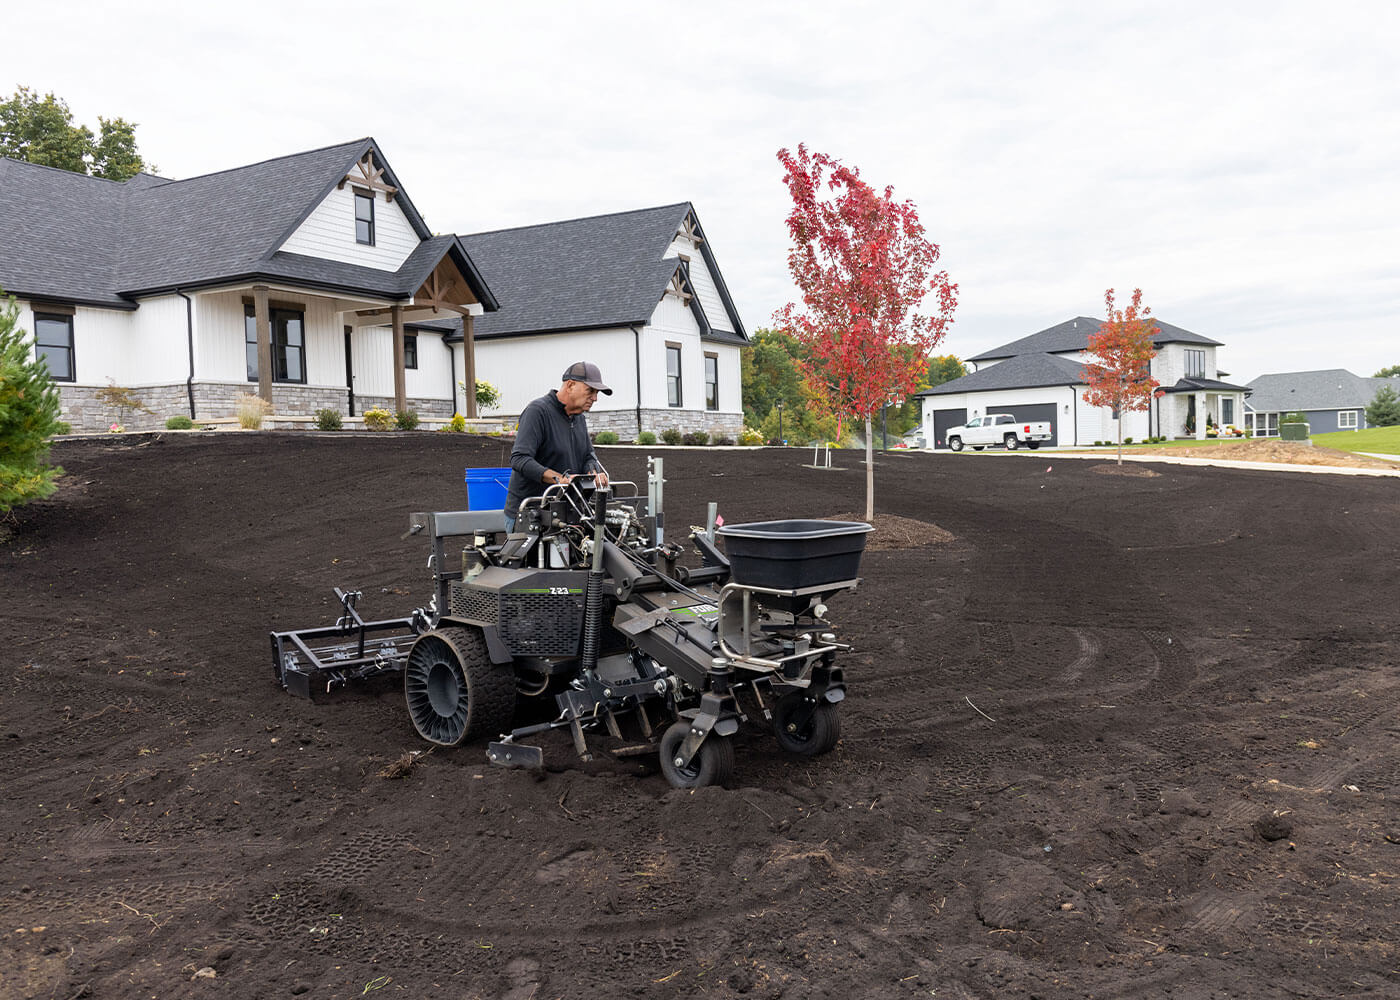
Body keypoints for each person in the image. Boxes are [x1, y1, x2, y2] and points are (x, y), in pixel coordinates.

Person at [503, 361, 613, 532]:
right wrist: (560, 479)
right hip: (530, 515)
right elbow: (519, 459)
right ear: (570, 385)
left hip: (566, 512)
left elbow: (588, 455)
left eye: (597, 393)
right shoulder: (537, 412)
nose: (595, 398)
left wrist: (593, 470)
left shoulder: (579, 418)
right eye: (590, 391)